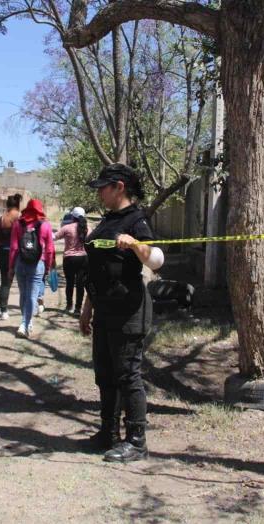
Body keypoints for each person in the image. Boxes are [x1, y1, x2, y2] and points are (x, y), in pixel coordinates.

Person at [80, 164, 164, 463]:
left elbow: (156, 259)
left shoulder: (136, 219)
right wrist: (87, 307)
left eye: (103, 187)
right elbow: (98, 268)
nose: (99, 192)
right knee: (105, 375)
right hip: (104, 309)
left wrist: (137, 245)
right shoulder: (108, 220)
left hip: (128, 311)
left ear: (118, 187)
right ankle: (109, 433)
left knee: (128, 375)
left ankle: (137, 442)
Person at [8, 199, 55, 338]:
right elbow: (50, 250)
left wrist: (11, 267)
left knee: (24, 294)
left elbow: (14, 248)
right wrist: (47, 267)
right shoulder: (45, 225)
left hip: (20, 263)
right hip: (37, 264)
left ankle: (26, 322)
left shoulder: (18, 224)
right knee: (32, 296)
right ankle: (25, 323)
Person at [0, 193, 22, 320]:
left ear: (7, 205)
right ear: (18, 205)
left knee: (5, 282)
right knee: (24, 283)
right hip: (21, 254)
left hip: (4, 253)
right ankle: (27, 309)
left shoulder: (2, 219)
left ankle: (4, 311)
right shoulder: (21, 218)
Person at [55, 206, 88, 316]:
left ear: (72, 216)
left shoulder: (67, 228)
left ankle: (69, 306)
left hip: (69, 259)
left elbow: (54, 237)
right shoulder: (87, 228)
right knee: (80, 284)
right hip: (83, 258)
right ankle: (78, 309)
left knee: (69, 283)